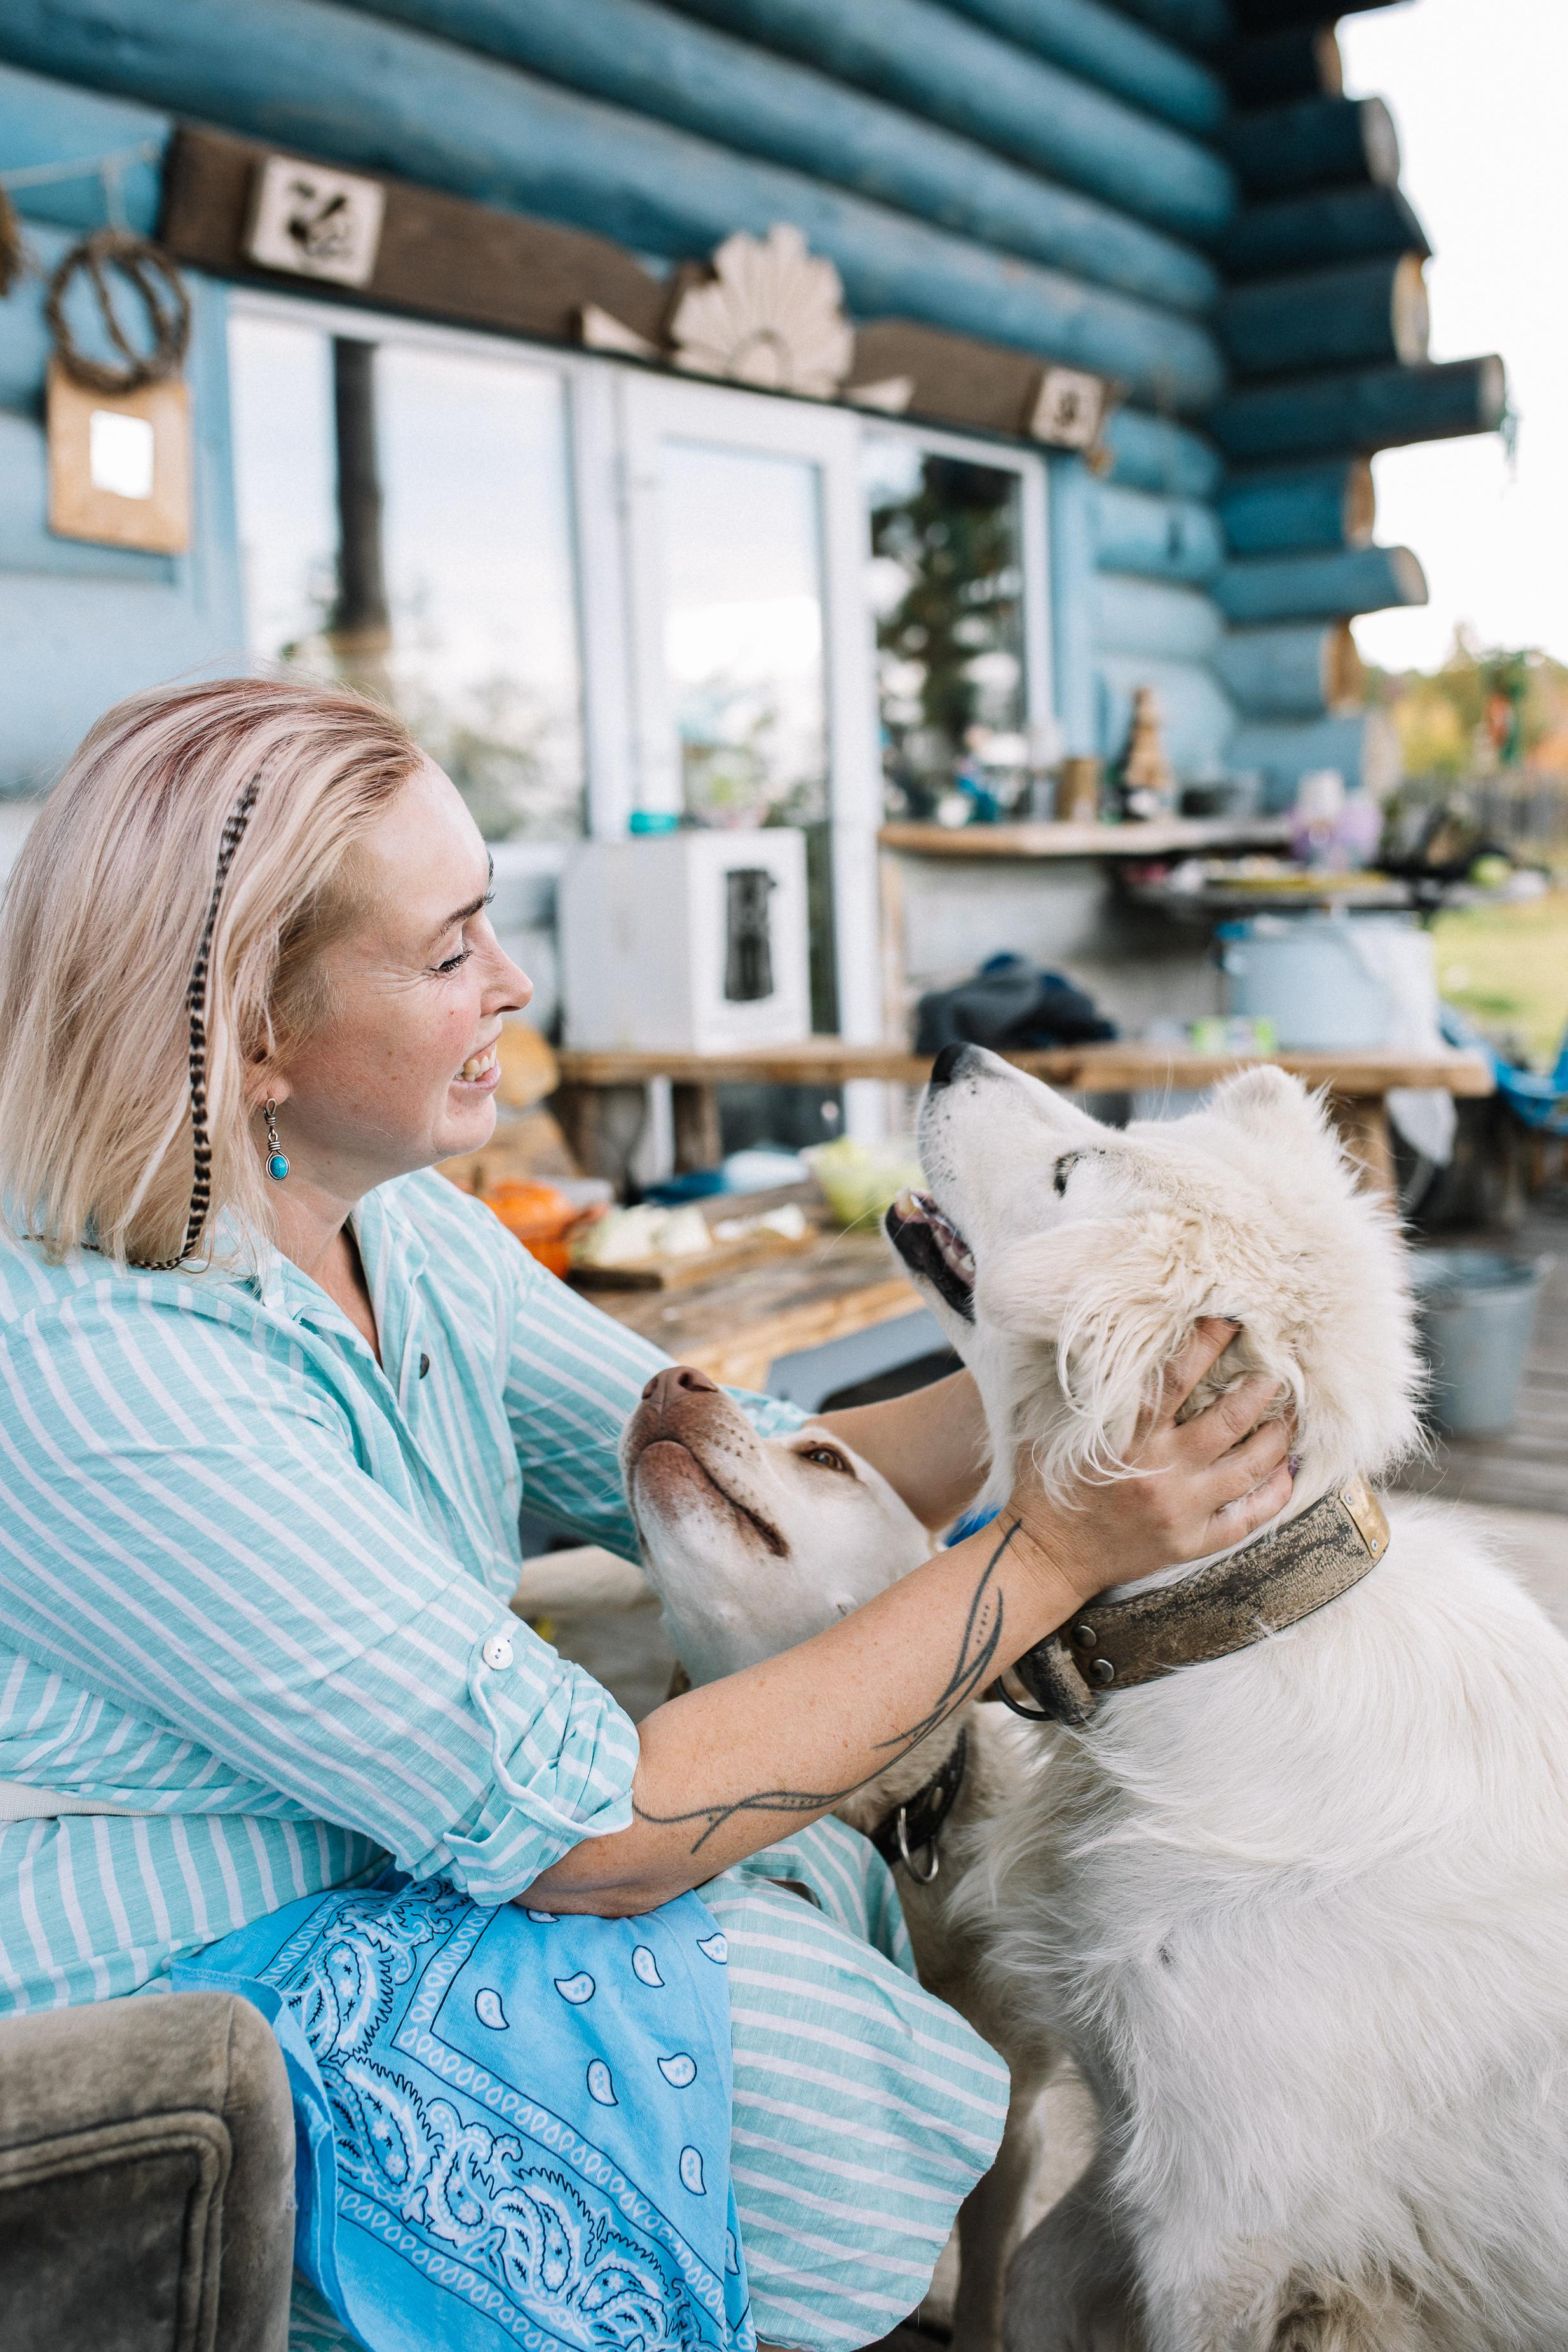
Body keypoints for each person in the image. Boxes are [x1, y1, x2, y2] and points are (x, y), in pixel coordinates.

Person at [0, 676, 1293, 2352]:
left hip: (377, 1879)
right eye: (454, 945)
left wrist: (1069, 1375)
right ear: (254, 1031)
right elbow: (582, 1832)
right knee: (775, 2022)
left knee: (807, 1878)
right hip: (141, 2059)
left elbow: (753, 1451)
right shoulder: (95, 1365)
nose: (515, 983)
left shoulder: (386, 1225)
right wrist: (1050, 1551)